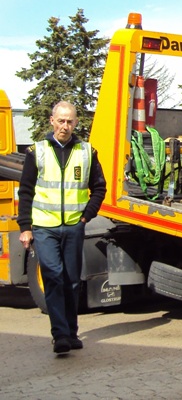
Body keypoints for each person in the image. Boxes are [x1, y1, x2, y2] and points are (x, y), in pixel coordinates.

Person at [18, 101, 107, 354]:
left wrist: (85, 217)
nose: (65, 126)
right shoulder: (38, 152)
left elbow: (99, 188)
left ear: (76, 123)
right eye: (61, 121)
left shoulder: (87, 152)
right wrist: (25, 227)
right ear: (52, 121)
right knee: (54, 277)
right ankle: (60, 336)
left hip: (73, 227)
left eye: (70, 121)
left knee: (71, 280)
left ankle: (71, 331)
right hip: (45, 228)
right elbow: (26, 192)